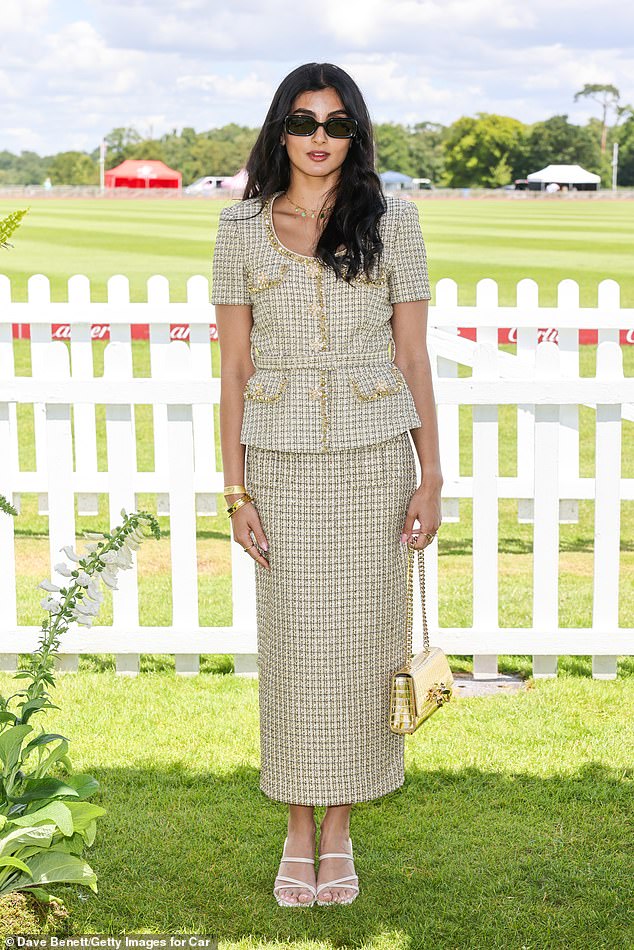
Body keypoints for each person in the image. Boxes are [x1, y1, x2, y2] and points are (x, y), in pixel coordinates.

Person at [211, 62, 443, 909]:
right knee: (297, 653)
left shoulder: (397, 222)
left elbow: (412, 358)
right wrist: (235, 493)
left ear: (355, 136)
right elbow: (234, 372)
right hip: (278, 463)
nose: (319, 137)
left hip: (377, 462)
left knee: (361, 650)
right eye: (304, 121)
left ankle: (338, 828)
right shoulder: (239, 228)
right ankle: (295, 828)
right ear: (281, 131)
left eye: (336, 123)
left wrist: (432, 475)